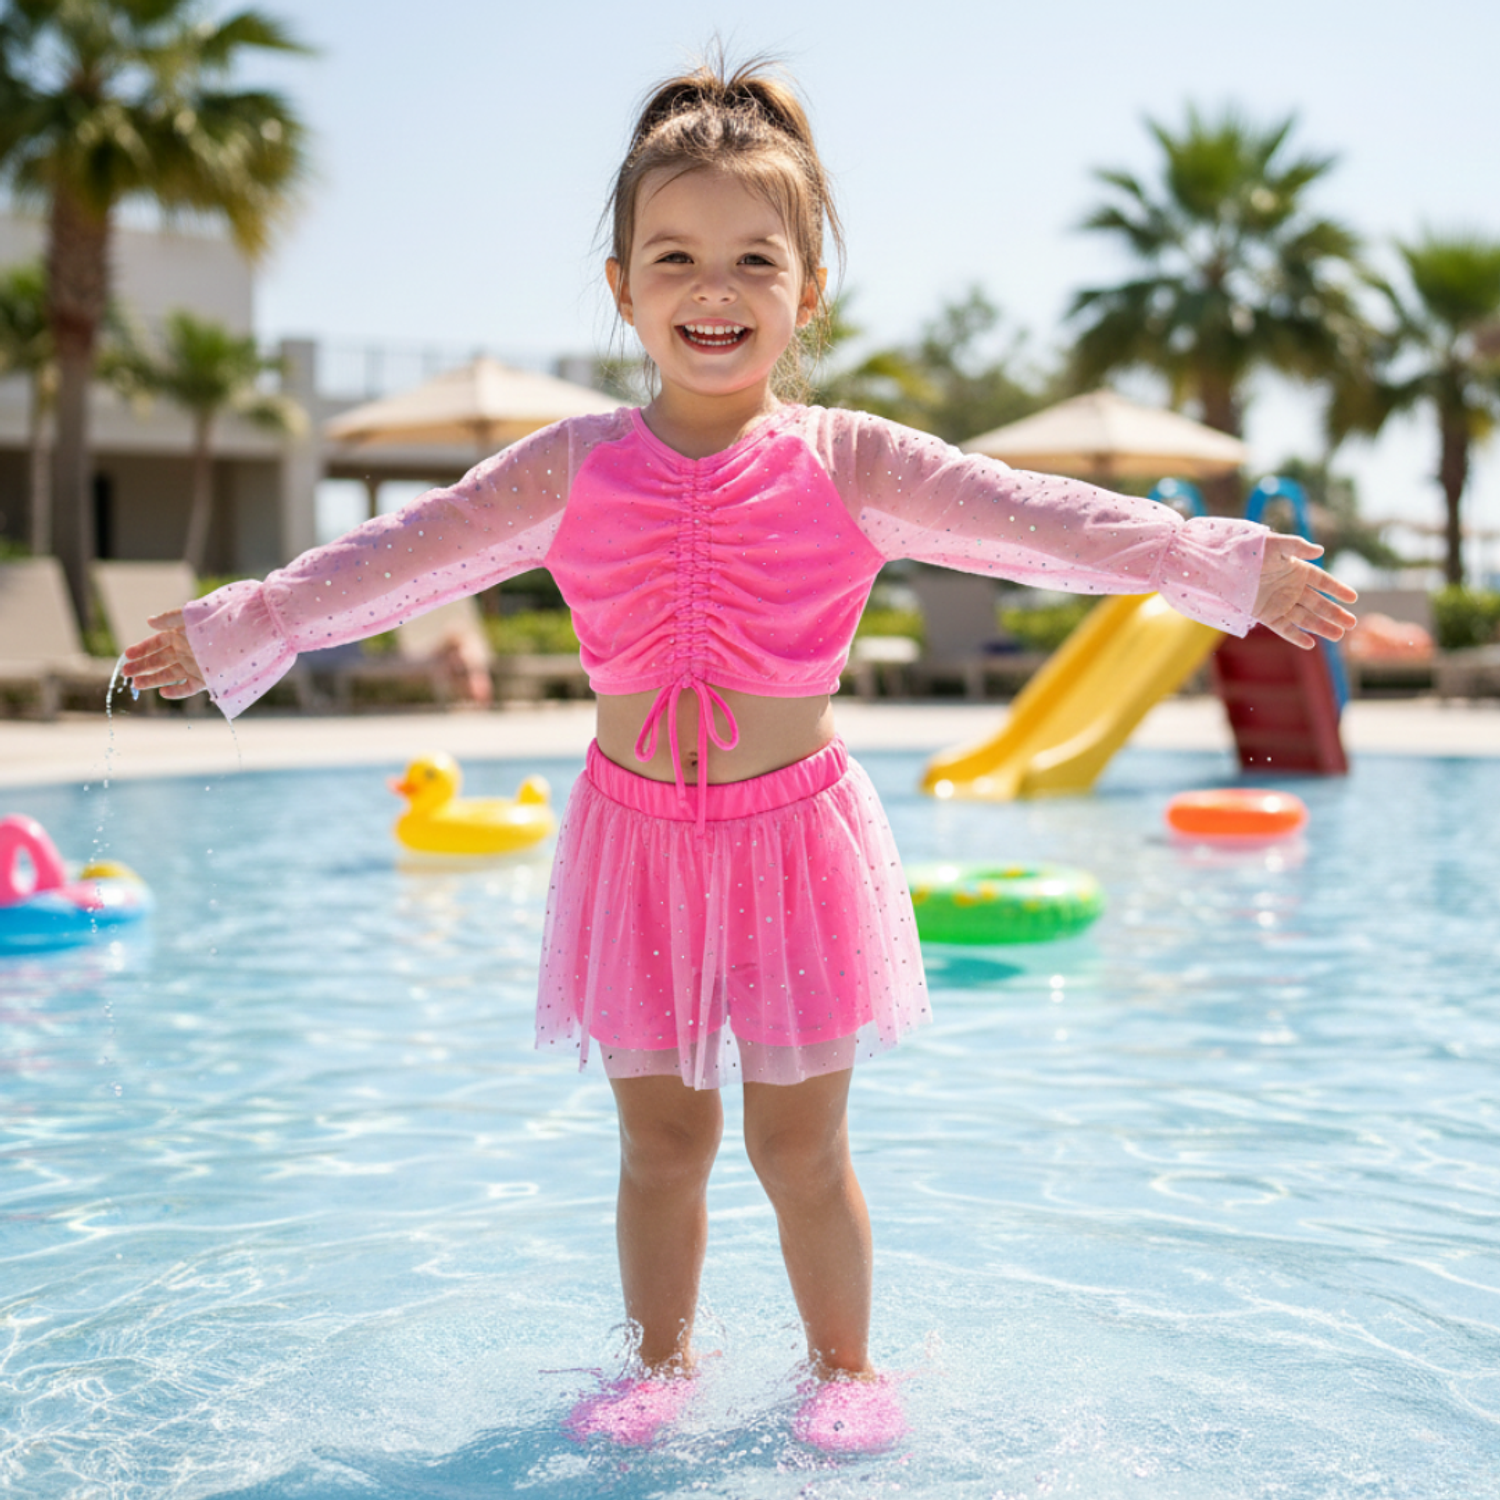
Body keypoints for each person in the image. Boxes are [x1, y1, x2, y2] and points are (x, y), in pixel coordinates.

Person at [122, 57, 1357, 1453]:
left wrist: (1219, 563)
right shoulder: (567, 466)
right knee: (660, 1144)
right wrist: (244, 626)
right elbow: (395, 559)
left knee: (798, 1148)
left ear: (806, 288)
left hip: (792, 839)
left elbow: (1041, 521)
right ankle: (660, 1365)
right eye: (677, 258)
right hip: (632, 843)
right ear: (622, 286)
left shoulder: (851, 459)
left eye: (752, 261)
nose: (714, 291)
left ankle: (845, 1373)